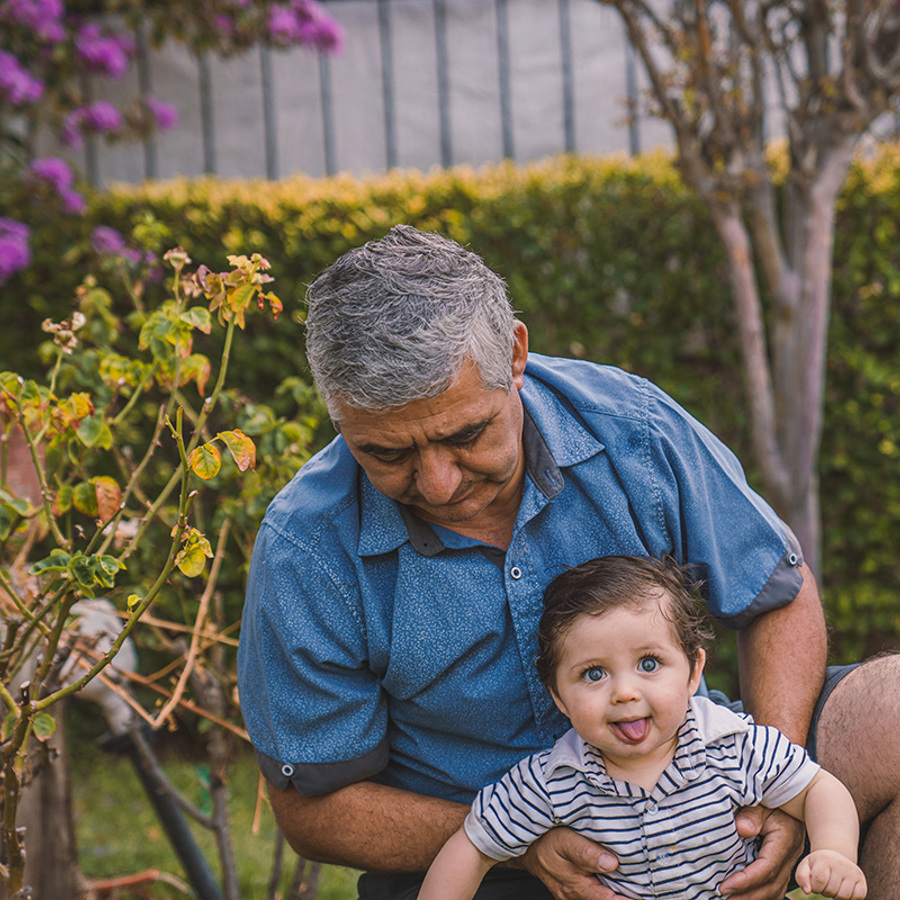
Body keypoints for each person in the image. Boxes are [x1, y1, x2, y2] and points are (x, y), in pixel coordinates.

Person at [236, 224, 900, 900]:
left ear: (516, 357)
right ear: (341, 417)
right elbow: (313, 806)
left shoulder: (632, 429)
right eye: (386, 454)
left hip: (702, 773)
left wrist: (771, 795)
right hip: (484, 856)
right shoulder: (306, 548)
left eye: (466, 435)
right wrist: (521, 839)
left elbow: (775, 593)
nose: (438, 483)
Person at [418, 555, 867, 900]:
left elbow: (818, 789)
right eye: (593, 674)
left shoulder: (731, 745)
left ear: (693, 672)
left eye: (649, 664)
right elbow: (473, 845)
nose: (624, 693)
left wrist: (834, 851)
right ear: (558, 695)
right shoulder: (555, 779)